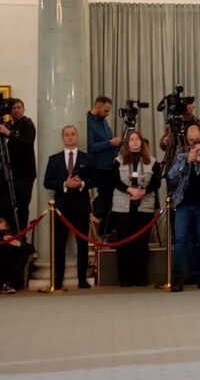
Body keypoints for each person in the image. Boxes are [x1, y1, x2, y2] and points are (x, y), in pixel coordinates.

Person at [167, 123, 200, 291]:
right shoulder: (182, 157)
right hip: (183, 205)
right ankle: (178, 278)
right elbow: (171, 176)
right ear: (191, 147)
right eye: (197, 150)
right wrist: (187, 162)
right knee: (180, 241)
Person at [43, 126, 96, 289]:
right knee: (59, 245)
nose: (70, 137)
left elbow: (95, 179)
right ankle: (58, 280)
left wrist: (82, 184)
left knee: (82, 245)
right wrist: (65, 184)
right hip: (61, 207)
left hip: (81, 206)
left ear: (77, 136)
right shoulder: (54, 159)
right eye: (67, 135)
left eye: (73, 134)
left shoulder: (87, 158)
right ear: (62, 137)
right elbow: (47, 182)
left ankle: (82, 280)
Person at [111, 131, 162, 287]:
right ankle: (125, 279)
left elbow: (156, 182)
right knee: (123, 243)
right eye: (131, 139)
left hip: (144, 207)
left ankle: (140, 278)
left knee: (141, 244)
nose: (134, 142)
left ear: (142, 142)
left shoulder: (153, 162)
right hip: (123, 207)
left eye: (137, 139)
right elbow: (114, 180)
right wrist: (129, 190)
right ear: (127, 144)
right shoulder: (118, 161)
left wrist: (143, 192)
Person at [0, 99, 36, 234]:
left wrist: (8, 133)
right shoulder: (9, 124)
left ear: (24, 109)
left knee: (21, 206)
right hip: (8, 174)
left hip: (25, 174)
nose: (16, 110)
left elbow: (27, 144)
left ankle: (20, 237)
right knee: (6, 206)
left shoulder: (27, 124)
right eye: (13, 108)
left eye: (19, 107)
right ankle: (9, 235)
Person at [87, 95, 122, 225]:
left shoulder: (104, 122)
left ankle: (108, 228)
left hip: (110, 166)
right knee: (105, 199)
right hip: (98, 168)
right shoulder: (88, 122)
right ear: (98, 106)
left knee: (111, 199)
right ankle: (101, 227)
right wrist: (110, 143)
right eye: (106, 110)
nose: (107, 114)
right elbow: (90, 147)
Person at [0, 216, 35, 293]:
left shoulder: (11, 238)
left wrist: (19, 244)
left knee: (24, 252)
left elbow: (32, 249)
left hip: (8, 269)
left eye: (3, 230)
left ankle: (8, 284)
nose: (2, 233)